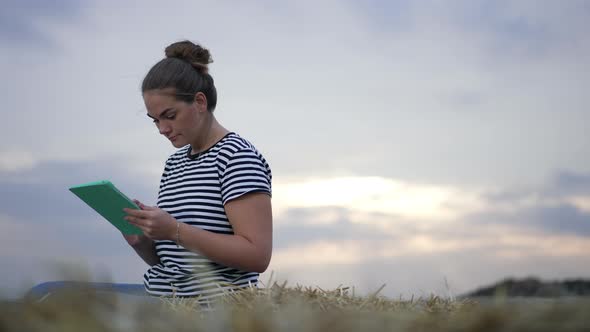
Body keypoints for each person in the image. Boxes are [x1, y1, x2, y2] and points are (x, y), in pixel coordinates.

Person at [121, 40, 273, 301]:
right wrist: (143, 240)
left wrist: (173, 230)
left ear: (200, 102)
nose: (162, 128)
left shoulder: (237, 157)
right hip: (167, 310)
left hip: (219, 315)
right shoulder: (174, 164)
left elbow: (257, 256)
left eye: (170, 115)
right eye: (155, 120)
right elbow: (176, 264)